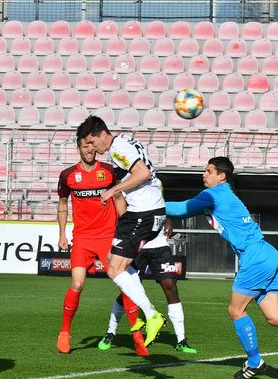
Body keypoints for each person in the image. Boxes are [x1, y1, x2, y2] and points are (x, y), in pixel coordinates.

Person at [165, 156, 278, 379]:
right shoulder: (224, 195)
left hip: (255, 258)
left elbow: (181, 209)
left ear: (222, 176)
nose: (204, 175)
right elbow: (187, 211)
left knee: (236, 310)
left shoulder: (214, 194)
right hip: (268, 254)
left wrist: (146, 205)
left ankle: (255, 362)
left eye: (208, 171)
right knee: (275, 316)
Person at [77, 115, 167, 348]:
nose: (92, 148)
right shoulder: (126, 140)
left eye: (91, 142)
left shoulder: (117, 148)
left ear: (101, 135)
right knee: (115, 263)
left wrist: (111, 191)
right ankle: (147, 313)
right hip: (147, 210)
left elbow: (143, 173)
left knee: (115, 269)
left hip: (144, 212)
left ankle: (151, 314)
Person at [55, 129, 146, 354]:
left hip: (108, 236)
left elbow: (118, 198)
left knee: (125, 284)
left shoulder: (108, 171)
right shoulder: (67, 175)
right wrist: (62, 234)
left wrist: (125, 230)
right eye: (84, 146)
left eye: (91, 145)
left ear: (96, 146)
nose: (89, 149)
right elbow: (63, 204)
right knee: (77, 284)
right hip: (83, 238)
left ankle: (136, 335)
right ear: (78, 149)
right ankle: (64, 332)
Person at [98, 220, 197, 354]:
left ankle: (181, 340)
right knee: (127, 293)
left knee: (171, 286)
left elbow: (161, 204)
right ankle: (111, 332)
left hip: (160, 246)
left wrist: (168, 220)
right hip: (136, 248)